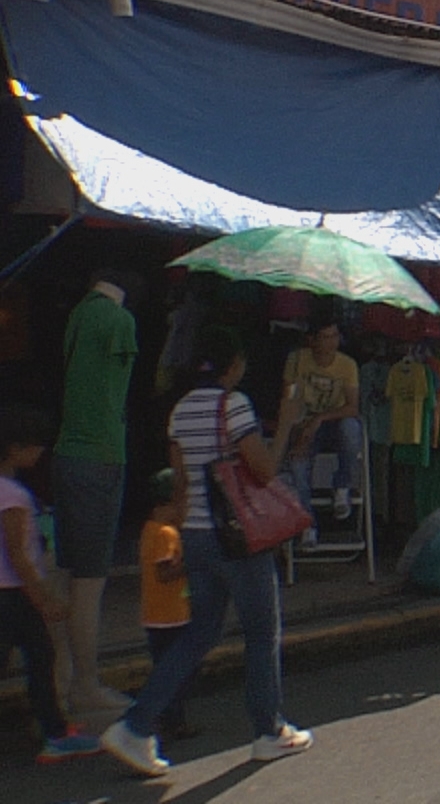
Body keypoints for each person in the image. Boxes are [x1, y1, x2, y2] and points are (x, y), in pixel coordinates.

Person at [103, 327, 312, 777]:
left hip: (196, 534)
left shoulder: (180, 411)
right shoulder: (234, 405)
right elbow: (265, 470)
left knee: (198, 634)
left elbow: (180, 484)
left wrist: (180, 537)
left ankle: (136, 724)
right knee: (261, 633)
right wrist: (287, 422)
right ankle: (269, 730)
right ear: (233, 365)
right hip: (236, 538)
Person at [52, 268, 140, 718]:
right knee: (89, 582)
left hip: (68, 455)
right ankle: (85, 684)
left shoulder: (78, 315)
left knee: (66, 575)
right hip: (100, 457)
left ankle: (62, 680)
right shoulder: (118, 320)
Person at [0, 404, 105, 764]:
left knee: (40, 657)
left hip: (12, 594)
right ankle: (55, 733)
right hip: (13, 595)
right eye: (35, 445)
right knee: (41, 659)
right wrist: (44, 598)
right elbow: (18, 555)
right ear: (15, 448)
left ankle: (55, 730)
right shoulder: (13, 496)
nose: (40, 452)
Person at [281, 318, 364, 545]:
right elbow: (288, 400)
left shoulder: (347, 365)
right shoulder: (297, 360)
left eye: (335, 336)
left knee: (351, 427)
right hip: (304, 424)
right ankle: (308, 524)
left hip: (333, 423)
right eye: (326, 337)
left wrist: (319, 419)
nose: (332, 342)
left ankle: (342, 486)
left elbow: (352, 407)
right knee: (297, 465)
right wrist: (299, 430)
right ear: (312, 340)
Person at [139, 470, 195, 740]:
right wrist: (193, 562)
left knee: (166, 668)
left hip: (157, 614)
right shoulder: (165, 534)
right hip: (170, 615)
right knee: (175, 671)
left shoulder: (149, 530)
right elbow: (164, 573)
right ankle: (171, 721)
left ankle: (169, 719)